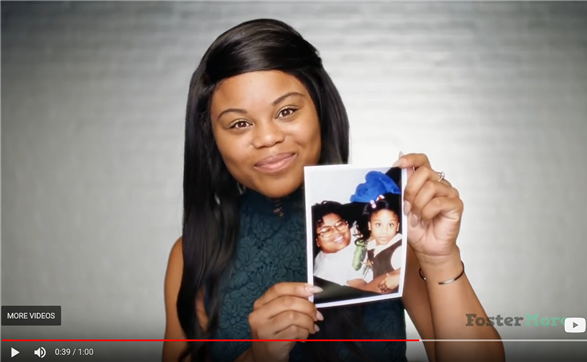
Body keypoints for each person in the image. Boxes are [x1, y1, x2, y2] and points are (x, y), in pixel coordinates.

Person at [162, 18, 505, 362]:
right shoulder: (193, 252)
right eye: (239, 123)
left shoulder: (387, 227)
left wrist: (440, 259)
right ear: (212, 137)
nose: (267, 138)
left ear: (321, 110)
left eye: (286, 111)